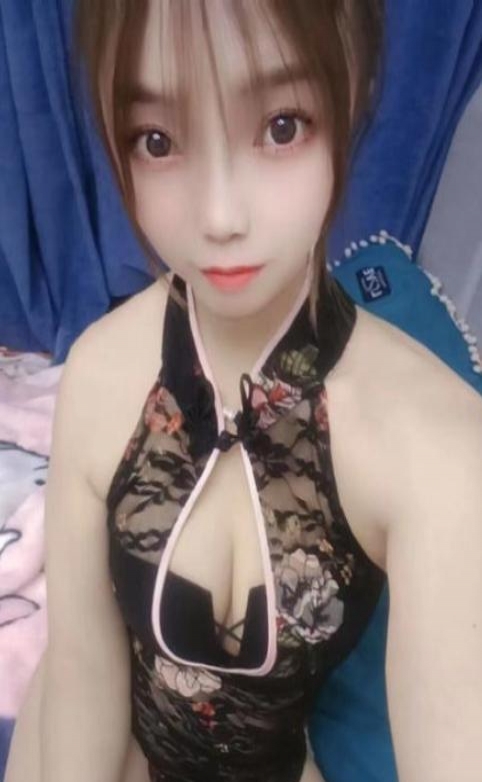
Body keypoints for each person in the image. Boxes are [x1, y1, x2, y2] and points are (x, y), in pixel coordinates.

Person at [5, 1, 482, 781]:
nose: (220, 217)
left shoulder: (436, 444)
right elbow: (82, 681)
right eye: (159, 141)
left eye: (281, 127)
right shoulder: (101, 375)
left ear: (350, 94)